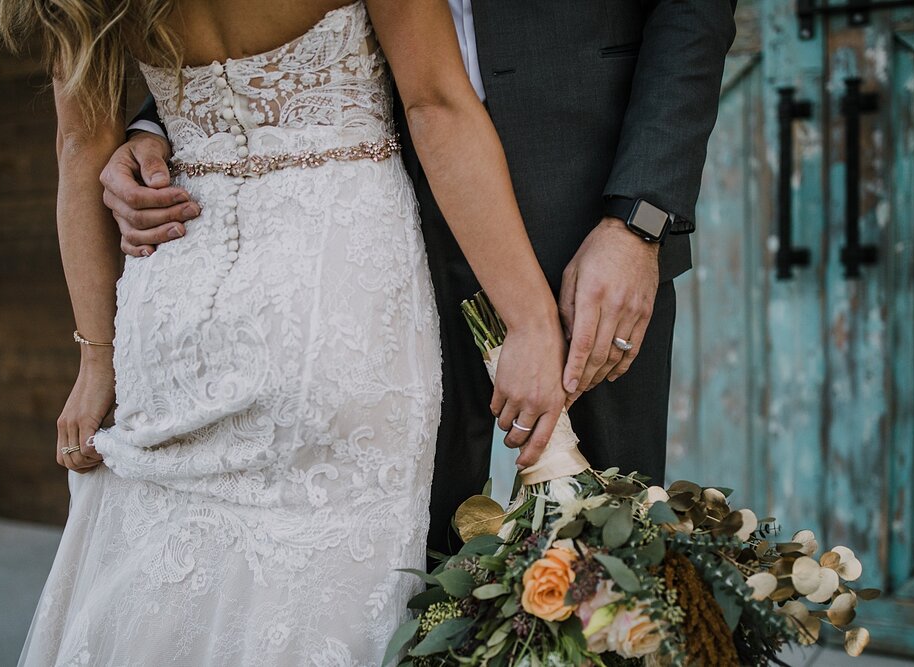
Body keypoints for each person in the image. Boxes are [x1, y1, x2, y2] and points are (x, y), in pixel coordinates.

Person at [0, 1, 571, 663]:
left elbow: (79, 148)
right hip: (337, 302)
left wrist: (96, 359)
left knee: (158, 576)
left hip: (173, 293)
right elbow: (437, 104)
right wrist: (527, 319)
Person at [105, 0, 738, 555]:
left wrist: (638, 220)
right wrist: (162, 120)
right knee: (405, 554)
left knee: (613, 553)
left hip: (590, 215)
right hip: (381, 236)